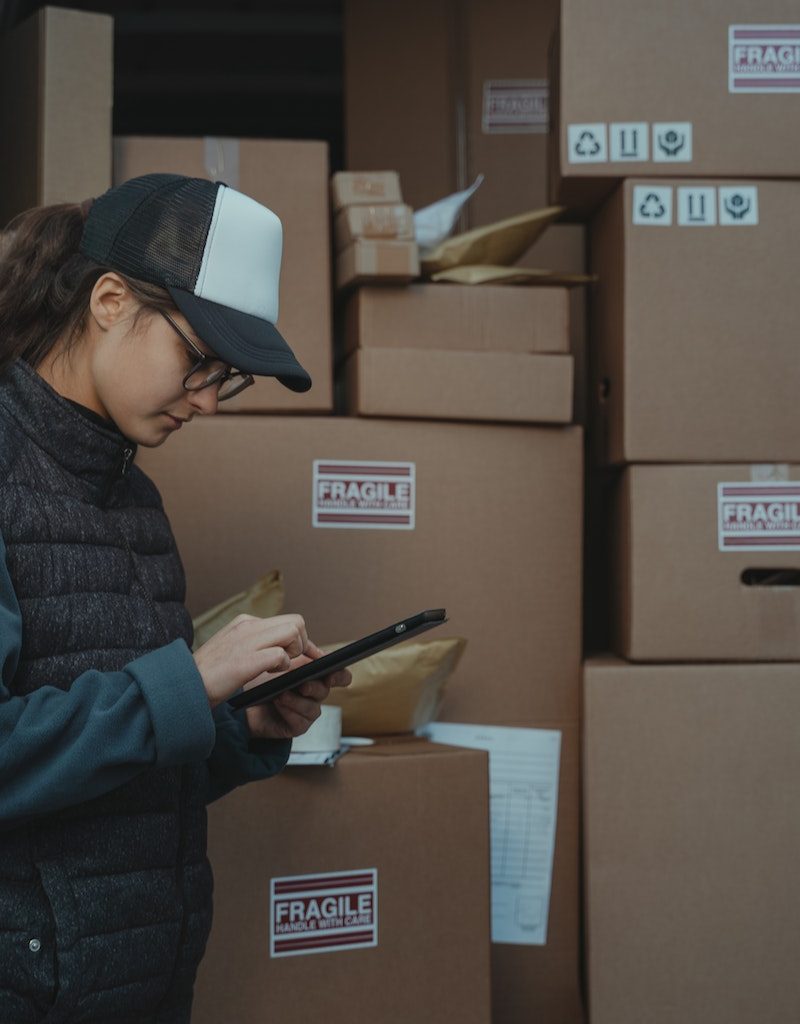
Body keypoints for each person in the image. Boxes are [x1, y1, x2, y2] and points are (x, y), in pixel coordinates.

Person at [0, 173, 350, 1023]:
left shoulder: (136, 503)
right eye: (197, 361)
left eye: (226, 379)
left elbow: (126, 770)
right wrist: (190, 683)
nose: (205, 401)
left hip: (147, 984)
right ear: (111, 299)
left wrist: (242, 725)